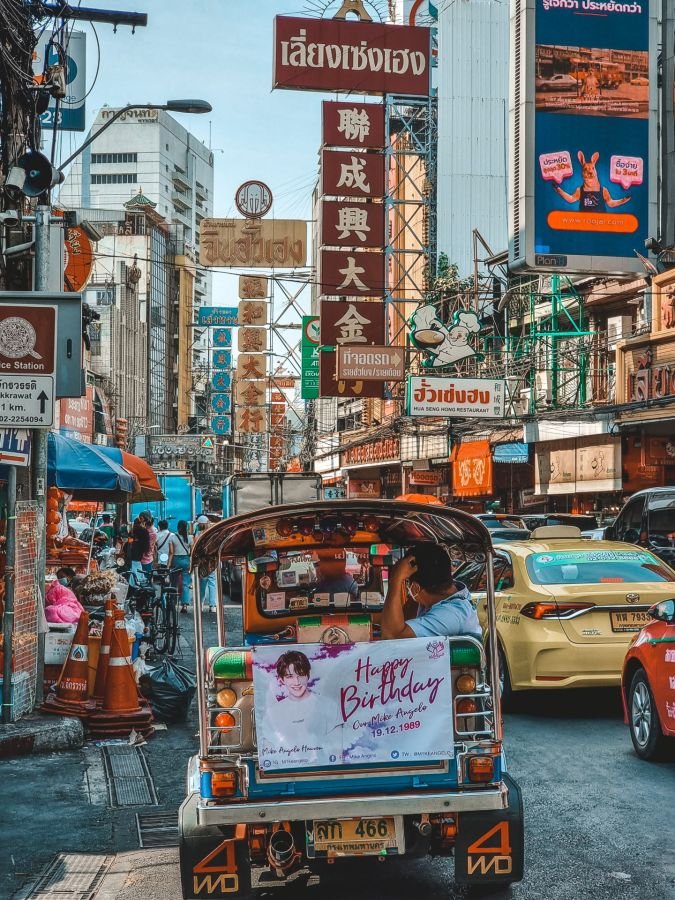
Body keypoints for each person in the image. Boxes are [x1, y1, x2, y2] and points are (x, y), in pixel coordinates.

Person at [381, 543, 481, 640]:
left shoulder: (451, 614)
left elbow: (392, 636)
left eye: (407, 583)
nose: (407, 588)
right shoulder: (442, 596)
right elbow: (405, 620)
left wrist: (396, 580)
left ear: (416, 587)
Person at [168, 520, 192, 613]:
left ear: (178, 527)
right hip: (186, 561)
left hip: (176, 561)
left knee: (174, 583)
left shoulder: (172, 537)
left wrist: (168, 565)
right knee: (186, 584)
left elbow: (171, 552)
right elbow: (192, 551)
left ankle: (173, 603)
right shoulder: (190, 538)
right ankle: (185, 605)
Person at [196, 515, 217, 612]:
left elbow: (195, 549)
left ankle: (200, 604)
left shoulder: (198, 535)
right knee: (212, 582)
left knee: (203, 583)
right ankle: (213, 606)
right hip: (212, 561)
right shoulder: (212, 534)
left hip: (202, 562)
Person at [129, 515, 150, 585]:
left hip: (133, 553)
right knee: (137, 568)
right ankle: (137, 582)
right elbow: (146, 543)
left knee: (134, 568)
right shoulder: (144, 531)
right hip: (139, 553)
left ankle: (134, 582)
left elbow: (129, 541)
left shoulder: (132, 531)